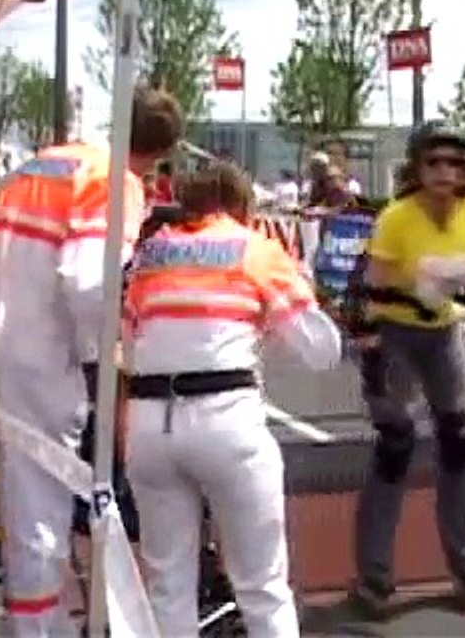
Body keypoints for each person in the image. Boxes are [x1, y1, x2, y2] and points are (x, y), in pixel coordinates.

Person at [0, 87, 179, 636]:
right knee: (40, 508)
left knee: (17, 500)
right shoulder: (114, 182)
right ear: (162, 155)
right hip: (39, 347)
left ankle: (38, 620)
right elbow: (87, 280)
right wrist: (107, 354)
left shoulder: (45, 163)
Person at [121, 161, 340, 638]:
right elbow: (321, 350)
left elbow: (129, 337)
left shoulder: (151, 254)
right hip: (226, 419)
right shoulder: (255, 248)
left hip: (149, 422)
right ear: (243, 206)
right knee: (262, 587)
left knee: (167, 585)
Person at [349, 123, 465, 617]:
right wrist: (371, 352)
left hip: (445, 330)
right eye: (434, 163)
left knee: (459, 439)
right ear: (417, 168)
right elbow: (372, 291)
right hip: (396, 332)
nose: (445, 173)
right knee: (397, 444)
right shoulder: (397, 218)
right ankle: (374, 578)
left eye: (456, 164)